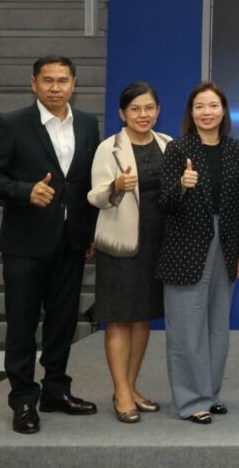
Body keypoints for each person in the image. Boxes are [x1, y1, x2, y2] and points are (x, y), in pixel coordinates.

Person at [0, 55, 102, 433]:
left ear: (74, 84)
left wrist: (89, 233)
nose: (55, 88)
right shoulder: (12, 124)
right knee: (22, 325)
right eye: (47, 80)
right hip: (24, 244)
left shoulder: (87, 124)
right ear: (33, 83)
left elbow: (87, 184)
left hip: (72, 242)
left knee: (62, 323)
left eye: (62, 80)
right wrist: (24, 191)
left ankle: (55, 391)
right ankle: (23, 401)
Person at [156, 81, 239, 424]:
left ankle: (210, 394)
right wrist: (181, 187)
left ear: (223, 110)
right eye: (199, 106)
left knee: (217, 328)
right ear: (191, 112)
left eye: (213, 105)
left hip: (225, 246)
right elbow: (163, 202)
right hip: (185, 249)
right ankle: (190, 401)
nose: (207, 112)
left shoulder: (236, 149)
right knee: (187, 328)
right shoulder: (177, 149)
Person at [87, 82, 170, 423]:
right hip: (121, 247)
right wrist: (116, 187)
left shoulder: (168, 145)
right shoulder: (109, 149)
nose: (143, 114)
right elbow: (94, 196)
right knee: (120, 318)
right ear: (123, 114)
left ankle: (132, 386)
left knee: (142, 318)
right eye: (135, 109)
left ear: (158, 111)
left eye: (149, 108)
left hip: (157, 245)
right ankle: (120, 391)